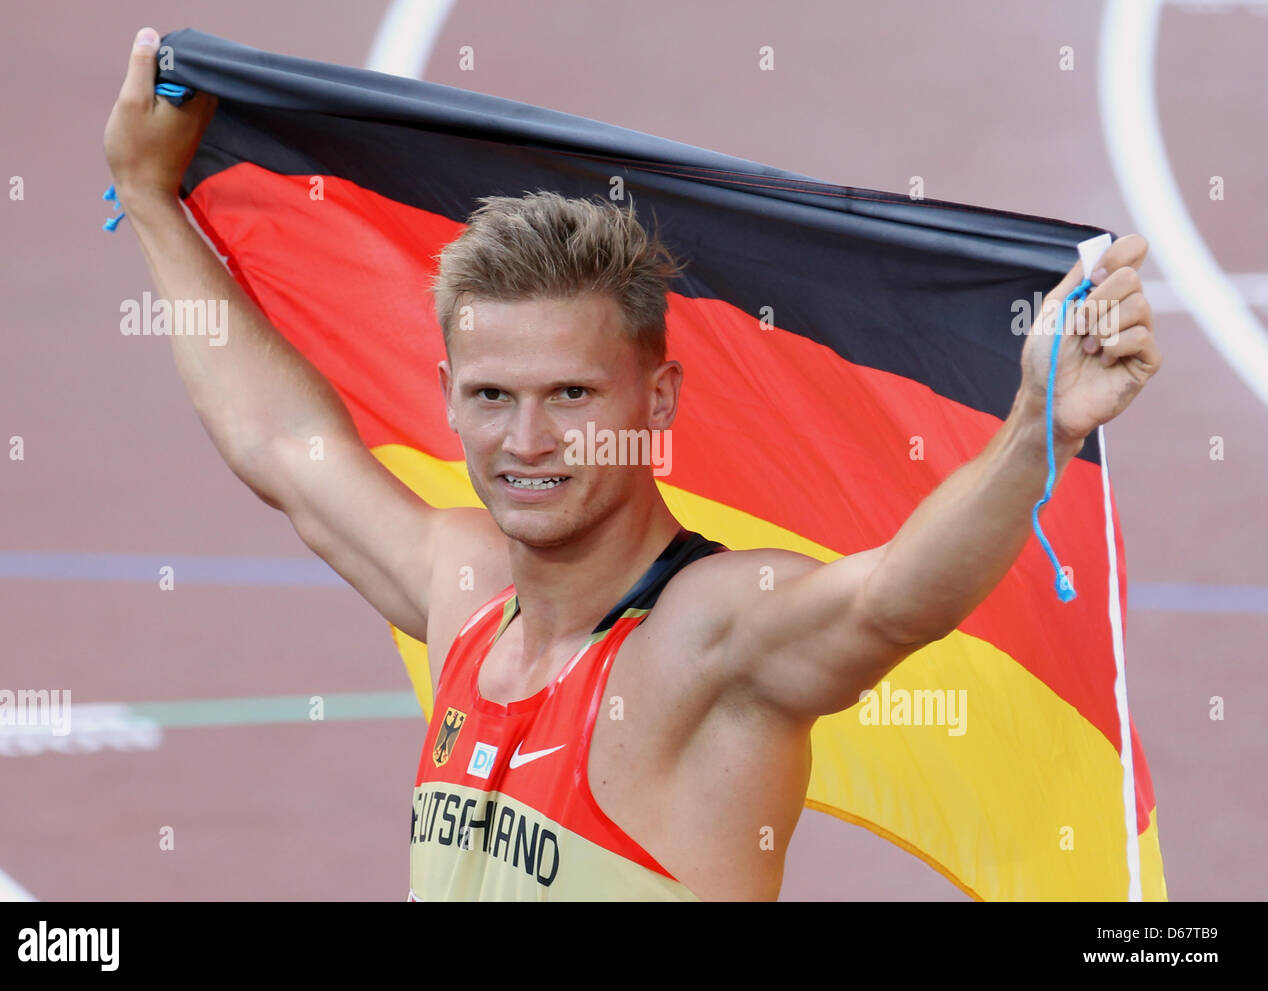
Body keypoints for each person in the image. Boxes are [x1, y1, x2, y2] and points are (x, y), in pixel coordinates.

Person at [104, 27, 1163, 901]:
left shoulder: (709, 637)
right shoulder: (463, 589)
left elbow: (891, 600)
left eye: (571, 396)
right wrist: (149, 197)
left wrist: (1035, 429)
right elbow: (283, 448)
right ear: (450, 399)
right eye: (491, 398)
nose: (525, 444)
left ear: (656, 401)